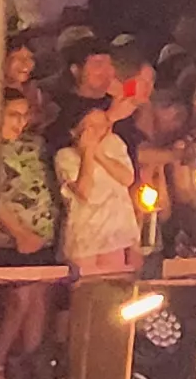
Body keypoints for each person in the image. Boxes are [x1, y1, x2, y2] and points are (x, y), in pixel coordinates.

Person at [0, 89, 58, 379]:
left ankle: (27, 367)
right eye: (13, 115)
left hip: (41, 233)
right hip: (8, 239)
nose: (20, 122)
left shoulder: (33, 145)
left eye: (24, 115)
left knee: (38, 301)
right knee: (17, 301)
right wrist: (18, 233)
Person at [53, 94, 142, 278]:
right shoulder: (65, 156)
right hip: (85, 234)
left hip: (114, 232)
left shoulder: (114, 144)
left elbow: (127, 178)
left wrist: (99, 153)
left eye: (102, 125)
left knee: (113, 287)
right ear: (75, 131)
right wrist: (87, 153)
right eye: (91, 126)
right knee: (86, 288)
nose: (98, 131)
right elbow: (84, 192)